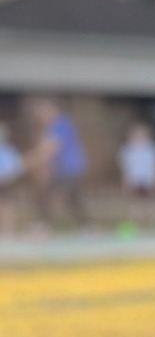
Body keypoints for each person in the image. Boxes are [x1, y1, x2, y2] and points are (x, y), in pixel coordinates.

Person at [25, 97, 91, 234]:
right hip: (61, 168)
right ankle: (86, 226)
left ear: (51, 110)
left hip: (70, 167)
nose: (41, 118)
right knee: (71, 196)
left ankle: (44, 226)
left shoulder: (61, 124)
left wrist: (30, 160)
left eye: (43, 113)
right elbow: (44, 147)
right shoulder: (50, 127)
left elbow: (51, 147)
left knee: (52, 193)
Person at [119, 121, 155, 229]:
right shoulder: (127, 149)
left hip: (149, 178)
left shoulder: (153, 148)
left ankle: (154, 225)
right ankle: (136, 224)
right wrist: (125, 181)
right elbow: (125, 167)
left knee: (152, 202)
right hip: (134, 179)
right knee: (135, 202)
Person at [0, 123, 21, 238]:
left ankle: (8, 230)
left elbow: (14, 167)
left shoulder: (9, 150)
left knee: (7, 206)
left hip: (6, 182)